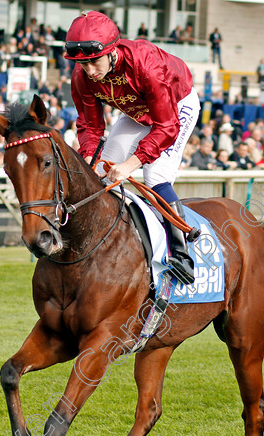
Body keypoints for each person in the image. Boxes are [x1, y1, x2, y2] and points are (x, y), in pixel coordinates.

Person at [66, 11, 198, 284]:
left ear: (111, 51)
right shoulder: (82, 76)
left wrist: (130, 165)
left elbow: (166, 126)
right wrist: (90, 157)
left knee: (155, 175)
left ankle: (181, 253)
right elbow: (90, 126)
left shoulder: (146, 64)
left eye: (94, 62)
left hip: (176, 107)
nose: (91, 72)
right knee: (102, 172)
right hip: (136, 111)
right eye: (83, 65)